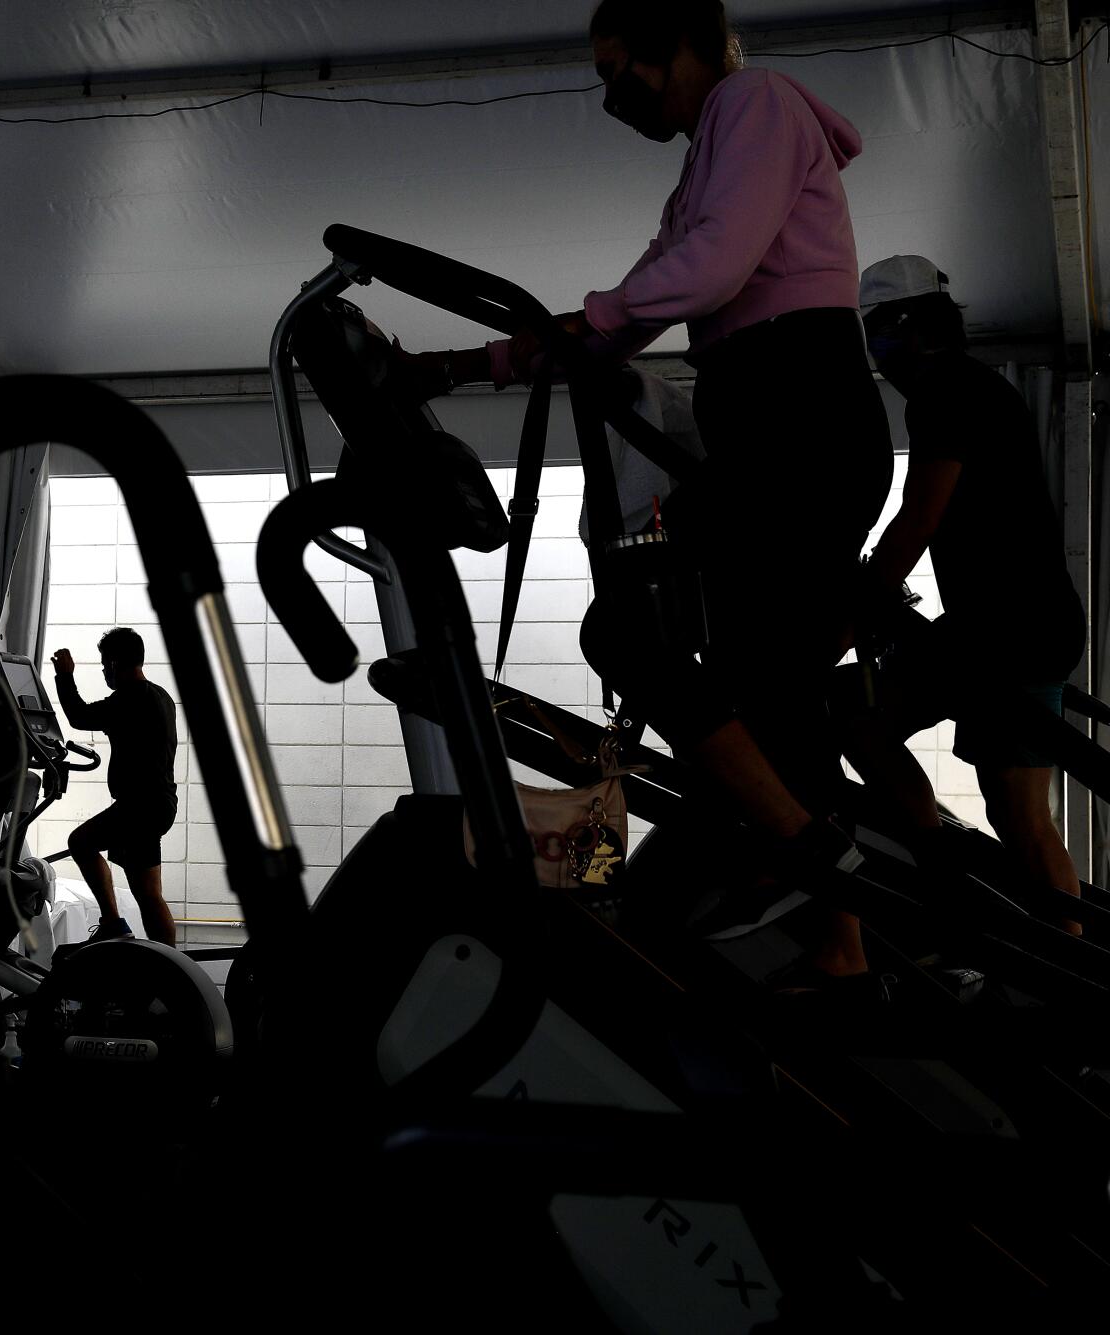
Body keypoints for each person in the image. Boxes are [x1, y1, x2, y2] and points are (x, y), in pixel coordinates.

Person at [407, 0, 893, 972]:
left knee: (635, 631)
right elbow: (633, 307)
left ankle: (803, 860)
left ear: (673, 47)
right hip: (772, 415)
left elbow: (702, 273)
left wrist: (568, 332)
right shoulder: (716, 145)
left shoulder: (750, 102)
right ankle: (837, 947)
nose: (608, 94)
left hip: (795, 412)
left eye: (614, 69)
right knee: (769, 690)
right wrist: (467, 364)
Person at [836, 255, 1086, 932]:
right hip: (1012, 622)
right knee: (1011, 808)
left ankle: (948, 882)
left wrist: (852, 615)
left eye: (878, 330)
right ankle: (956, 878)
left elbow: (920, 515)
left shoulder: (946, 392)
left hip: (1009, 629)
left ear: (912, 324)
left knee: (874, 728)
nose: (877, 352)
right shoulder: (970, 388)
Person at [51, 628, 181, 946]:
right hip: (159, 803)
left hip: (140, 805)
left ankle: (111, 921)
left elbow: (79, 716)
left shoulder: (130, 698)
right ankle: (170, 963)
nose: (103, 670)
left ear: (113, 663)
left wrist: (64, 676)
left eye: (103, 664)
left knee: (80, 842)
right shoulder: (160, 696)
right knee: (149, 894)